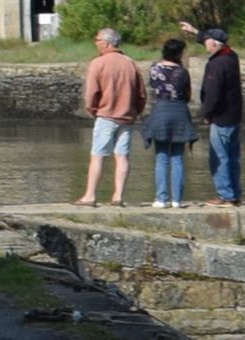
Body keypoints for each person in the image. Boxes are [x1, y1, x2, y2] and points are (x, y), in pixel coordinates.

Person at [78, 27, 143, 206]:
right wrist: (136, 111)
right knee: (122, 156)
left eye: (98, 40)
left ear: (106, 43)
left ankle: (90, 195)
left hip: (106, 115)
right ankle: (118, 196)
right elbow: (141, 94)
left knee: (98, 155)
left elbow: (92, 92)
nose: (96, 43)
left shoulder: (97, 63)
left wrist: (92, 109)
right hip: (127, 117)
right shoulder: (130, 63)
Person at [141, 34, 197, 206]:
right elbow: (187, 95)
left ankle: (160, 198)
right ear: (179, 53)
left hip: (161, 111)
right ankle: (176, 200)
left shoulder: (154, 69)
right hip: (179, 111)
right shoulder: (182, 72)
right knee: (177, 158)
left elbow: (153, 88)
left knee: (161, 157)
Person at [195, 24, 242, 203]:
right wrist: (195, 32)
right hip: (235, 114)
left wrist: (206, 113)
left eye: (207, 41)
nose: (205, 44)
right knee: (233, 157)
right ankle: (235, 194)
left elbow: (213, 92)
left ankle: (225, 195)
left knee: (219, 157)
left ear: (214, 43)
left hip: (221, 116)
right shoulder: (232, 56)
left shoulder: (217, 64)